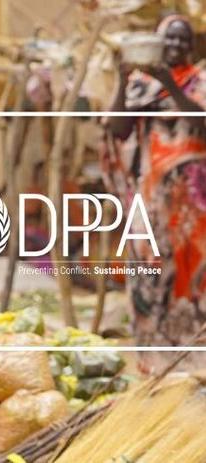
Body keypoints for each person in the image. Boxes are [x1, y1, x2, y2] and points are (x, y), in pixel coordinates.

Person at [105, 15, 206, 370]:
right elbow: (118, 129)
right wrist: (122, 80)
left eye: (182, 39)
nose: (176, 45)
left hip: (194, 202)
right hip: (150, 199)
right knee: (148, 273)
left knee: (191, 278)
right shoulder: (140, 86)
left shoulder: (200, 81)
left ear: (192, 46)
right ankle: (153, 363)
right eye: (170, 39)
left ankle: (195, 365)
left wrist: (170, 85)